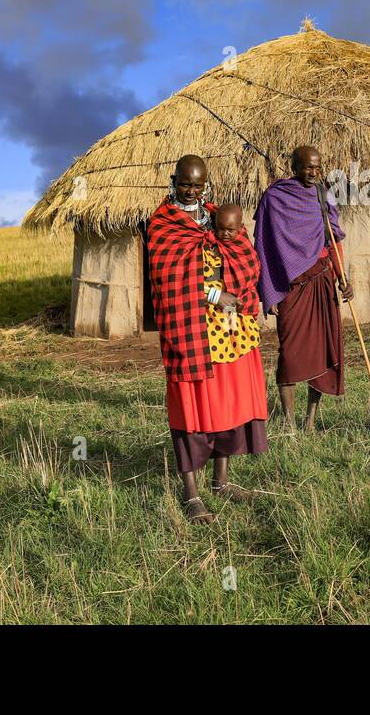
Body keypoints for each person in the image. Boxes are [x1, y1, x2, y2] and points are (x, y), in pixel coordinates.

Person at [146, 156, 266, 524]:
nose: (192, 191)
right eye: (185, 184)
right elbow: (168, 283)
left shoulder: (219, 217)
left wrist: (237, 295)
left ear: (207, 186)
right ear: (173, 181)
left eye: (198, 186)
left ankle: (221, 481)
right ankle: (192, 494)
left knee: (225, 402)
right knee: (192, 406)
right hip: (190, 330)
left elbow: (246, 260)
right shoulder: (162, 226)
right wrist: (214, 296)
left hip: (229, 334)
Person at [253, 145, 353, 432]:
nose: (313, 172)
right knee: (290, 353)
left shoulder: (322, 196)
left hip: (321, 280)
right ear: (294, 167)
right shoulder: (276, 197)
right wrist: (269, 291)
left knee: (322, 351)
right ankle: (288, 423)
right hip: (291, 288)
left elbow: (332, 240)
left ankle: (309, 421)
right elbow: (264, 246)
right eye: (308, 167)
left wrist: (342, 277)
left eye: (318, 167)